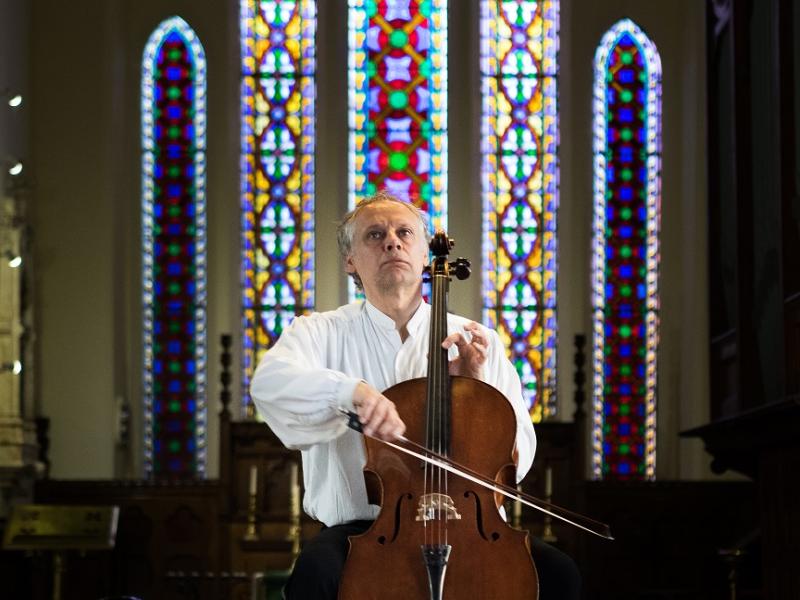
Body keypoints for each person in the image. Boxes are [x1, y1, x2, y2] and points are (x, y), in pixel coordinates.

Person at [250, 190, 581, 599]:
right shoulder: (318, 333)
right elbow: (269, 384)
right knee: (315, 575)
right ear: (350, 260)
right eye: (374, 235)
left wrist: (474, 393)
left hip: (466, 528)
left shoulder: (476, 341)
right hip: (363, 530)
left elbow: (514, 461)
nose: (392, 241)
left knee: (559, 575)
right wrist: (350, 392)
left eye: (404, 232)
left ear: (425, 254)